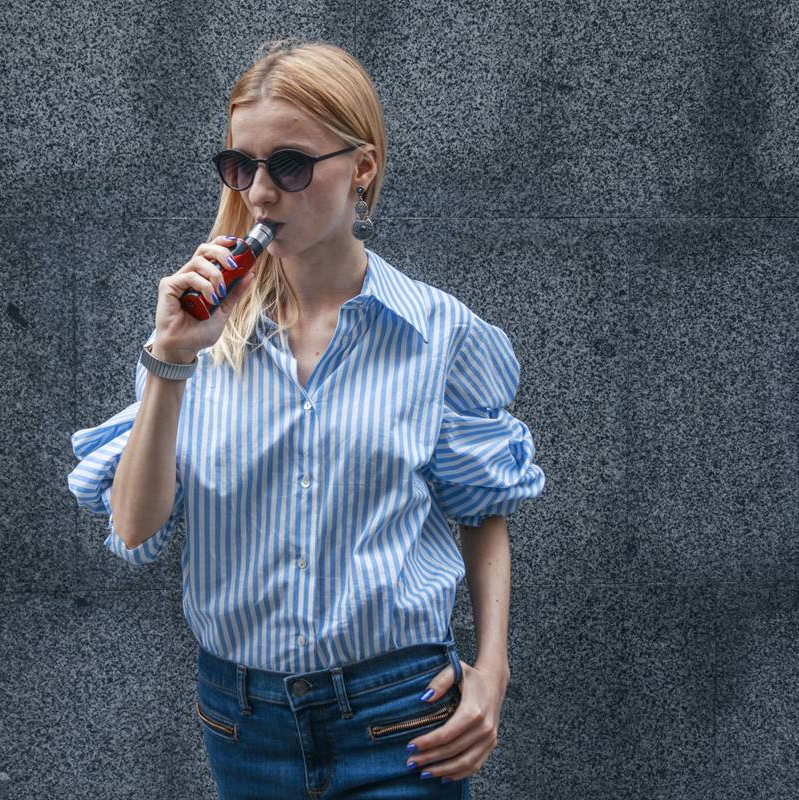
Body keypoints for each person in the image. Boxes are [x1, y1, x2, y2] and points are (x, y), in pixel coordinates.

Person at [67, 38, 545, 799]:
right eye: (240, 166)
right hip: (243, 720)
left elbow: (482, 511)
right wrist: (169, 356)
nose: (260, 192)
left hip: (399, 715)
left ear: (362, 166)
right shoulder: (196, 336)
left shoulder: (438, 332)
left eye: (289, 164)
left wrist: (491, 671)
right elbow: (132, 531)